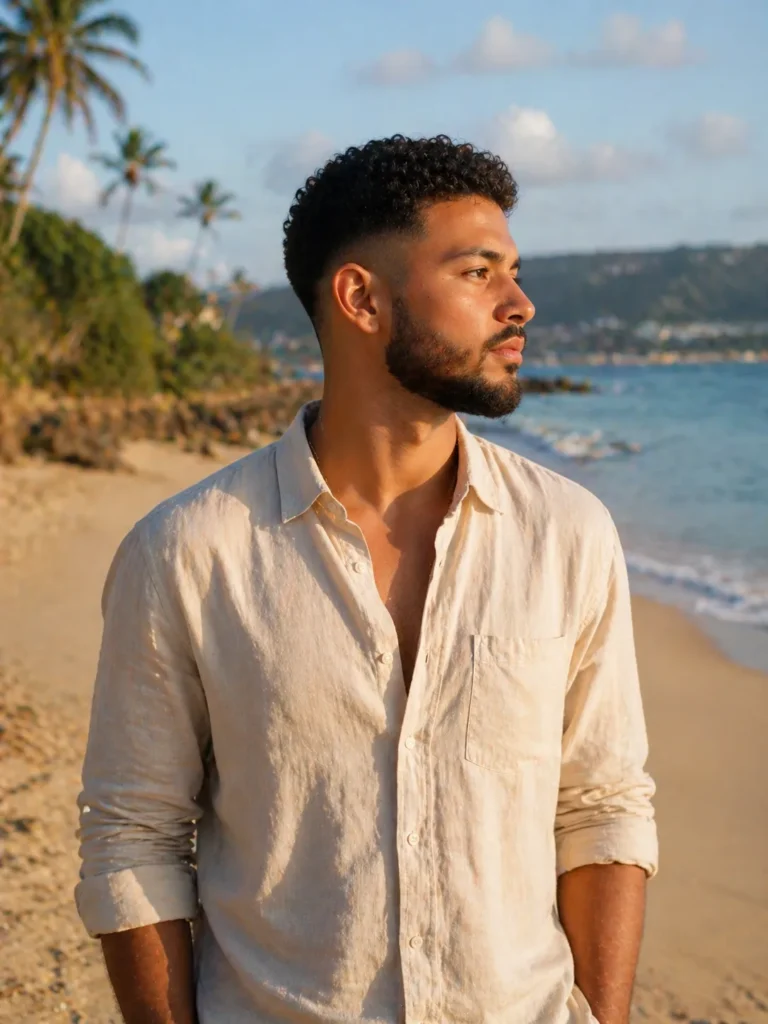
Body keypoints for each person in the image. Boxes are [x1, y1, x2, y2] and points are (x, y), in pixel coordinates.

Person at [75, 135, 657, 1024]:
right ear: (362, 298)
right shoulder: (187, 553)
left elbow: (602, 806)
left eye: (514, 272)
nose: (520, 304)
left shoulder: (568, 534)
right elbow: (133, 838)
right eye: (478, 273)